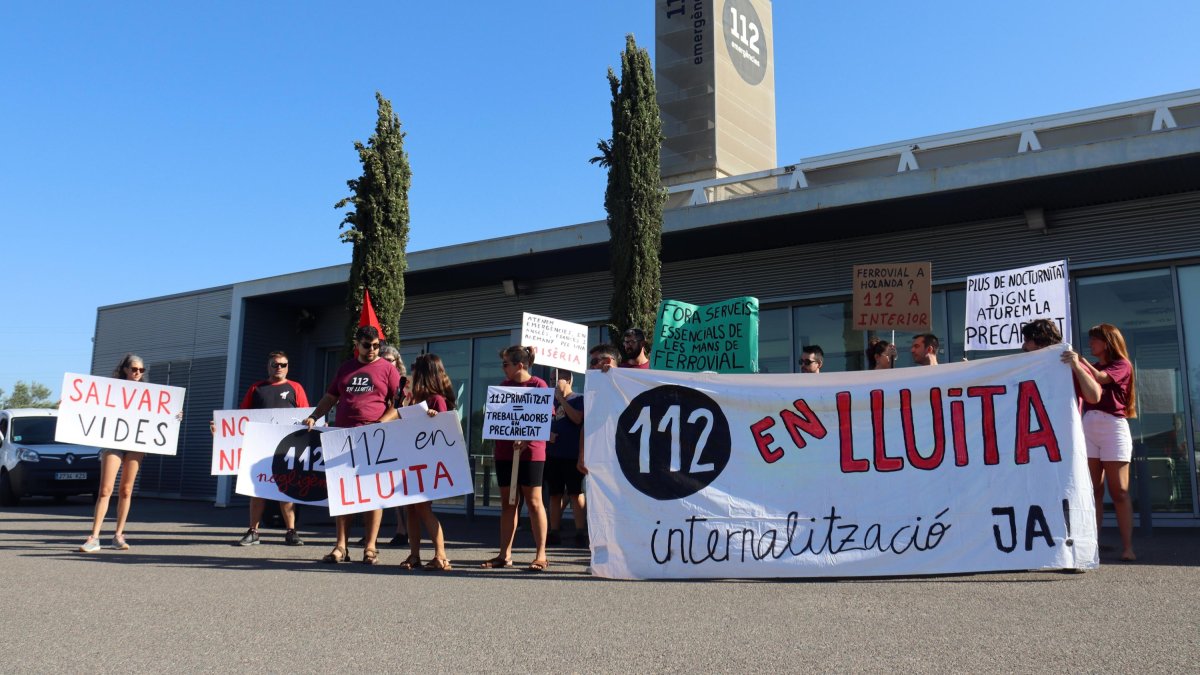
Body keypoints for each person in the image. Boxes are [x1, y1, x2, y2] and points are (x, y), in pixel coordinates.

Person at [302, 326, 400, 565]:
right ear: (357, 344)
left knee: (373, 494)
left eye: (376, 345)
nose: (372, 350)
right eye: (367, 345)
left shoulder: (388, 369)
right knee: (343, 493)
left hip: (374, 438)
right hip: (343, 437)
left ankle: (370, 547)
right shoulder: (346, 368)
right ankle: (340, 546)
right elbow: (331, 397)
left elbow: (399, 404)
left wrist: (379, 423)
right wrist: (315, 416)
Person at [1062, 323, 1138, 562]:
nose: (1091, 344)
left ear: (1107, 342)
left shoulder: (1121, 365)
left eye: (1094, 340)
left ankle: (1128, 547)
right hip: (1089, 426)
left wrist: (1078, 362)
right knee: (1093, 489)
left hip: (1113, 427)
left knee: (1120, 492)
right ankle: (1092, 543)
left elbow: (1102, 379)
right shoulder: (1091, 367)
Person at [480, 346, 550, 571]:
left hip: (531, 454)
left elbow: (543, 420)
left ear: (520, 365)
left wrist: (526, 439)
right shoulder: (503, 387)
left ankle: (541, 554)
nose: (503, 368)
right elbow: (498, 418)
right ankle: (504, 554)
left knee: (534, 501)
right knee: (508, 503)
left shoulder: (538, 385)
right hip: (505, 453)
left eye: (506, 364)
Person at [231, 351, 309, 547]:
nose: (280, 368)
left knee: (287, 490)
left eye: (283, 364)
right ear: (268, 367)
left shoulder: (295, 388)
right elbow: (240, 418)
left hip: (286, 449)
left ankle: (291, 531)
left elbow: (306, 415)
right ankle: (253, 531)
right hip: (260, 447)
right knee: (258, 490)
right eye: (275, 365)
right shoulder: (256, 388)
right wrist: (222, 430)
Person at [79, 354, 148, 552]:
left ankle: (118, 535)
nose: (137, 373)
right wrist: (69, 407)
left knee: (126, 490)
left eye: (141, 370)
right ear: (125, 369)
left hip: (136, 443)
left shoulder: (149, 394)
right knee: (105, 489)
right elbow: (91, 406)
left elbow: (159, 415)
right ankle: (94, 537)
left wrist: (174, 415)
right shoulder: (111, 390)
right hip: (114, 442)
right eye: (134, 369)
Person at [397, 353, 455, 571]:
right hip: (414, 462)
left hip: (429, 464)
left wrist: (434, 417)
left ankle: (441, 554)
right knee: (412, 509)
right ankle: (414, 554)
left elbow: (445, 432)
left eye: (415, 371)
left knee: (422, 507)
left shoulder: (436, 400)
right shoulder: (416, 400)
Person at [545, 369, 586, 546]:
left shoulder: (579, 399)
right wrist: (547, 435)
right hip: (553, 454)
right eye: (552, 379)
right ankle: (554, 530)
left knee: (576, 493)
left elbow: (578, 419)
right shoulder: (547, 401)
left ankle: (580, 531)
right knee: (554, 493)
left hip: (572, 454)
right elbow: (538, 423)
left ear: (568, 380)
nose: (554, 383)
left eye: (558, 379)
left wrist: (561, 399)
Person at [378, 344, 410, 548]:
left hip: (400, 436)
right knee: (377, 485)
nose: (386, 363)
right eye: (383, 359)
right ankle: (371, 531)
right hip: (381, 436)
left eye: (389, 360)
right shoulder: (376, 379)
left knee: (400, 487)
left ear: (397, 363)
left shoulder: (405, 383)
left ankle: (403, 530)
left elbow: (405, 407)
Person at [578, 344, 621, 476]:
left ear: (607, 361)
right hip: (598, 456)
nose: (591, 367)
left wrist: (615, 377)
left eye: (594, 362)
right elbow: (588, 423)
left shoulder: (628, 383)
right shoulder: (594, 389)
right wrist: (582, 454)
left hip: (623, 454)